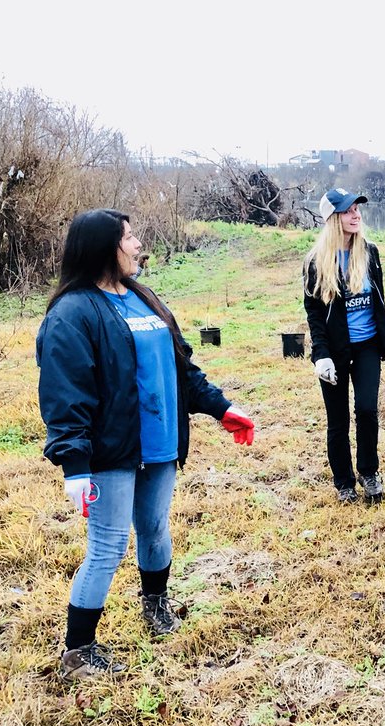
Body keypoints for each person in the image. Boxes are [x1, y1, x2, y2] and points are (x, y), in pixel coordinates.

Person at [36, 208, 256, 680]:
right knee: (109, 546)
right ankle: (77, 651)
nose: (138, 245)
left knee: (155, 529)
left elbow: (182, 370)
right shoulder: (73, 313)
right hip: (111, 450)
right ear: (103, 248)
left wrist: (222, 408)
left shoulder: (144, 298)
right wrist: (74, 465)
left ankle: (156, 606)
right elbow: (64, 395)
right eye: (129, 238)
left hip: (160, 443)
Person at [303, 188, 385, 504]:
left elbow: (379, 302)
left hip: (367, 345)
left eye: (357, 209)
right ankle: (344, 482)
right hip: (335, 351)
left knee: (367, 410)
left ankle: (369, 472)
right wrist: (321, 355)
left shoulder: (369, 252)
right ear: (332, 218)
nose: (356, 215)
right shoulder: (315, 262)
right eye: (348, 210)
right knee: (338, 420)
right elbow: (314, 313)